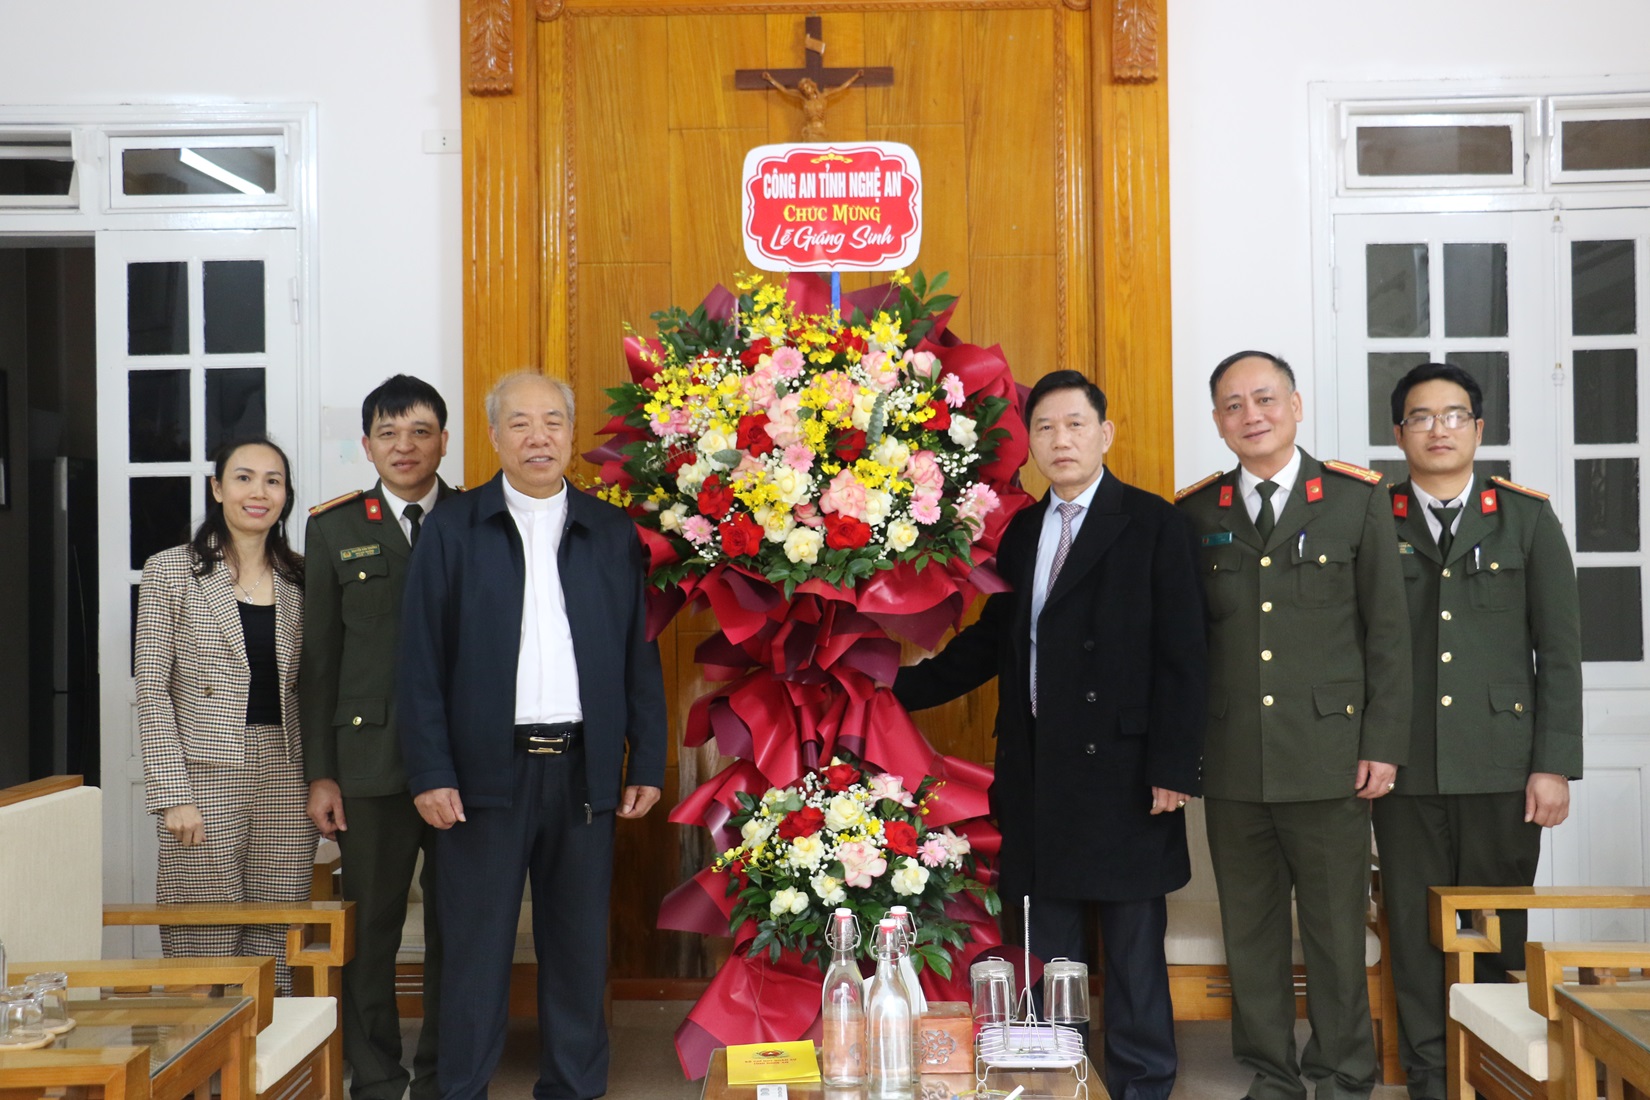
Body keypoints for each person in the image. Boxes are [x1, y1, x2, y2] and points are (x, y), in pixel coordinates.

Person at [895, 370, 1208, 1100]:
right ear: (1031, 444)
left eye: (1075, 424)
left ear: (1105, 434)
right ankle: (1052, 1080)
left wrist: (1174, 765)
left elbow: (1186, 655)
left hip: (1131, 774)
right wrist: (889, 689)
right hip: (1039, 771)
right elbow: (991, 645)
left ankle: (1141, 1085)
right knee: (1045, 952)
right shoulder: (1023, 532)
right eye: (1045, 428)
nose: (1060, 440)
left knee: (1132, 955)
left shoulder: (1154, 523)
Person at [397, 371, 668, 1100]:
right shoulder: (454, 527)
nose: (537, 436)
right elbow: (419, 660)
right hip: (482, 775)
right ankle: (462, 1091)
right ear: (493, 437)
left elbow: (638, 652)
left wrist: (646, 757)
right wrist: (429, 771)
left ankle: (574, 1090)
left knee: (579, 951)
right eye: (519, 423)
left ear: (572, 435)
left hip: (581, 771)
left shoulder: (610, 531)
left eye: (552, 421)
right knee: (475, 954)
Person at [1176, 350, 1412, 1100]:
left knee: (1338, 932)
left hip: (1330, 755)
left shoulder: (1354, 500)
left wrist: (1382, 743)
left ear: (1297, 405)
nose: (1253, 416)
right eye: (1234, 405)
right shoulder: (1197, 512)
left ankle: (1344, 1072)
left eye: (1266, 399)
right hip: (1235, 755)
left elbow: (1389, 633)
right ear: (1217, 421)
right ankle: (1272, 1073)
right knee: (1251, 930)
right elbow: (1186, 648)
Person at [1373, 362, 1582, 1100]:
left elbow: (1557, 651)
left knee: (1497, 934)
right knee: (1417, 931)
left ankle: (1493, 1078)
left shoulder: (1525, 517)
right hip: (1404, 768)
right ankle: (1433, 1080)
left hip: (1502, 766)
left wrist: (1553, 763)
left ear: (1478, 428)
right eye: (1421, 417)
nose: (1438, 429)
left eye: (1453, 415)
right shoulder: (1375, 514)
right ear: (1398, 433)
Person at [300, 374, 457, 1100]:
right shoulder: (334, 528)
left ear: (444, 441)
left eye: (420, 431)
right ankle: (379, 1075)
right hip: (366, 764)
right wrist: (320, 775)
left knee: (458, 931)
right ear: (366, 444)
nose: (405, 446)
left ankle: (444, 1074)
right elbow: (319, 664)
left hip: (462, 762)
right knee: (375, 934)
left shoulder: (475, 518)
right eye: (389, 433)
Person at [135, 436, 316, 994]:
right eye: (243, 478)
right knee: (203, 933)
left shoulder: (303, 578)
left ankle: (260, 1072)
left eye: (273, 480)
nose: (257, 492)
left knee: (275, 937)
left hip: (285, 777)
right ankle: (193, 1071)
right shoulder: (171, 571)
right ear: (217, 488)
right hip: (203, 776)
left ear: (285, 495)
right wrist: (172, 795)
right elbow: (152, 688)